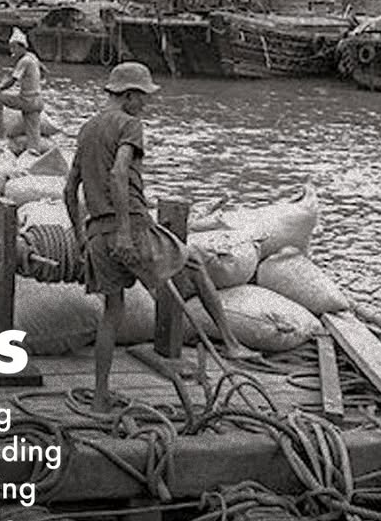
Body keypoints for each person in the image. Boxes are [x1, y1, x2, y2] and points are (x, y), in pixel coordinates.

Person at [64, 61, 254, 413]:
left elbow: (69, 187)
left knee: (112, 311)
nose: (146, 105)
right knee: (194, 262)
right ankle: (231, 344)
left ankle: (100, 398)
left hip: (96, 234)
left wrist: (80, 237)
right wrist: (123, 230)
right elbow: (120, 174)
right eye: (143, 97)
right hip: (129, 227)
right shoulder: (130, 125)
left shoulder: (87, 129)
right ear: (130, 96)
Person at [0, 27, 44, 152]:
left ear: (21, 47)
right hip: (37, 100)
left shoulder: (24, 61)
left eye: (14, 47)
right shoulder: (32, 57)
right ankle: (33, 155)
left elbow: (13, 80)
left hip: (27, 100)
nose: (12, 51)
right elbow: (44, 71)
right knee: (33, 134)